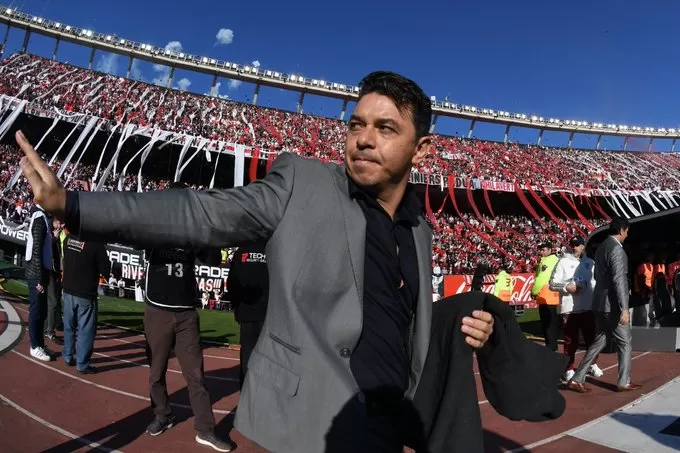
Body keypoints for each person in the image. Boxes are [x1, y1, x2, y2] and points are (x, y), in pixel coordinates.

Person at [16, 71, 494, 453]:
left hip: (389, 427)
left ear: (422, 149)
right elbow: (201, 212)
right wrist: (75, 206)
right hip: (317, 427)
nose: (364, 139)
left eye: (385, 128)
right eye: (356, 124)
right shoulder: (301, 183)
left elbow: (405, 321)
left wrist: (464, 326)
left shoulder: (419, 231)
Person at [141, 181, 233, 452]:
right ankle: (163, 415)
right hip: (157, 309)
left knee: (196, 376)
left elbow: (214, 259)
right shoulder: (155, 227)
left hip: (185, 314)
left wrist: (202, 228)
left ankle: (205, 429)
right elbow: (138, 234)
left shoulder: (193, 230)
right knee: (156, 373)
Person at [567, 217, 641, 393]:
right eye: (627, 231)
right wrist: (624, 308)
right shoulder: (617, 250)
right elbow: (619, 280)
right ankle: (624, 381)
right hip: (612, 305)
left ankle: (577, 378)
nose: (627, 235)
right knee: (625, 342)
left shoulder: (601, 247)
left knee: (600, 340)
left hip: (599, 302)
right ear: (622, 230)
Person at [548, 236, 603, 382]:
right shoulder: (563, 262)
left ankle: (592, 363)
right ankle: (569, 368)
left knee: (592, 339)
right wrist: (567, 287)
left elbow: (594, 283)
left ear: (583, 246)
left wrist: (588, 288)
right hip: (569, 309)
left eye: (578, 244)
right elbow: (552, 283)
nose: (575, 247)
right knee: (570, 341)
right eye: (573, 244)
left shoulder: (590, 263)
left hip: (587, 307)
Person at [61, 233, 110, 373]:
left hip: (68, 289)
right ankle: (82, 364)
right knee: (86, 330)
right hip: (85, 293)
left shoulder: (70, 238)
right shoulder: (96, 243)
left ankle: (68, 356)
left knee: (69, 325)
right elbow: (105, 269)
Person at [226, 241, 269, 389]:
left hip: (247, 313)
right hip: (268, 314)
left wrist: (236, 306)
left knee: (247, 355)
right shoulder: (271, 249)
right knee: (268, 357)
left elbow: (231, 282)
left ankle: (245, 392)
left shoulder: (241, 252)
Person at [24, 204, 56, 361]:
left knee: (42, 311)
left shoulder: (42, 218)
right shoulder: (39, 219)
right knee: (37, 311)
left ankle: (40, 345)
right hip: (36, 274)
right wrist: (40, 279)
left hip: (40, 273)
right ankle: (34, 346)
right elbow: (37, 250)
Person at [532, 243, 560, 352]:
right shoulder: (553, 260)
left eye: (543, 250)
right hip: (551, 296)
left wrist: (534, 291)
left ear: (550, 250)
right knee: (552, 323)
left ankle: (551, 347)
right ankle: (553, 346)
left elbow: (541, 279)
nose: (541, 252)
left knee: (547, 324)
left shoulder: (548, 261)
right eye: (541, 250)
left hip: (546, 297)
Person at [44, 218, 64, 346]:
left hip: (56, 272)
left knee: (54, 301)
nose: (60, 225)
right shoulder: (50, 236)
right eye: (58, 223)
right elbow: (46, 249)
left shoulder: (59, 235)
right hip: (50, 271)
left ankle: (49, 327)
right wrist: (54, 238)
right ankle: (49, 331)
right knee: (53, 302)